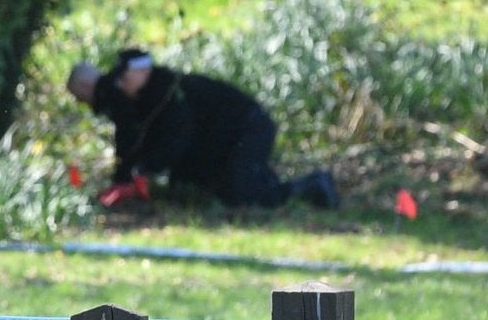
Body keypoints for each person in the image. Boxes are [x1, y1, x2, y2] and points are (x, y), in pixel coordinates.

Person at [67, 48, 339, 210]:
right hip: (230, 136)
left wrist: (143, 169)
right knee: (225, 189)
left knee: (242, 193)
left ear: (140, 74)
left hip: (248, 129)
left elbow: (174, 139)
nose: (121, 86)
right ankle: (297, 190)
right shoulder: (156, 93)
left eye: (124, 79)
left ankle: (312, 186)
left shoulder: (167, 94)